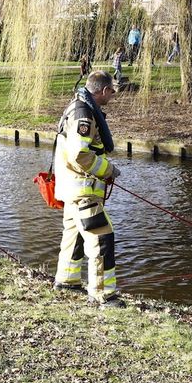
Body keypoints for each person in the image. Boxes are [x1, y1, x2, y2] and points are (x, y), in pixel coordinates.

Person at [52, 71, 124, 308]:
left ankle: (67, 280)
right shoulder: (84, 114)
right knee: (102, 237)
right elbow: (79, 155)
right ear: (103, 91)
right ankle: (104, 294)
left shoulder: (78, 107)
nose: (112, 96)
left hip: (72, 188)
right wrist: (108, 170)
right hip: (82, 189)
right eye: (112, 92)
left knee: (74, 236)